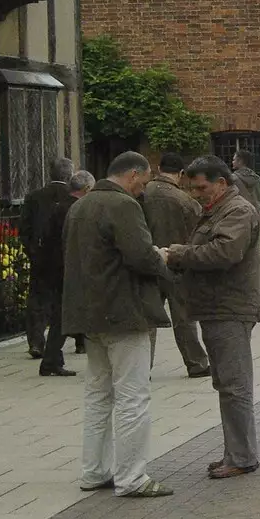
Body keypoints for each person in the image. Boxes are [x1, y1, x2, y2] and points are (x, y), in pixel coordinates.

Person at [62, 153, 174, 498]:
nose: (143, 189)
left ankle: (94, 471)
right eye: (143, 181)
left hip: (89, 313)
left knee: (97, 394)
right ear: (133, 174)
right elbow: (140, 256)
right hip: (123, 312)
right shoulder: (123, 206)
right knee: (132, 396)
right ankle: (132, 477)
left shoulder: (78, 206)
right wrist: (162, 257)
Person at [164, 155, 260, 476]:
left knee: (234, 384)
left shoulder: (238, 210)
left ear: (221, 183)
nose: (196, 193)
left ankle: (242, 457)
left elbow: (224, 252)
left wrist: (179, 254)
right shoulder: (216, 210)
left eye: (202, 187)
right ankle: (234, 452)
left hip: (229, 308)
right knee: (226, 383)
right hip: (215, 306)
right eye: (192, 188)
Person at [142, 153, 211, 379]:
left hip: (149, 262)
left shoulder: (142, 195)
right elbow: (200, 233)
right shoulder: (186, 201)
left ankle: (142, 366)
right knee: (184, 317)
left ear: (158, 168)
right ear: (181, 174)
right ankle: (196, 363)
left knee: (148, 317)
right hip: (178, 264)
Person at [34, 170, 93, 377]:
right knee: (62, 316)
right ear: (86, 189)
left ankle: (54, 359)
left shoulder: (58, 208)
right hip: (66, 269)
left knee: (60, 314)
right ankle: (50, 361)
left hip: (51, 268)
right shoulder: (76, 209)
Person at [20, 157, 74, 362]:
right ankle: (78, 340)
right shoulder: (72, 197)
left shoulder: (34, 196)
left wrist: (32, 251)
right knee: (65, 299)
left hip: (40, 257)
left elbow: (24, 228)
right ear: (69, 175)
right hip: (64, 257)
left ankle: (35, 341)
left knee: (38, 298)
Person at [230, 150, 260, 214]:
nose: (232, 162)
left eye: (234, 160)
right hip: (255, 217)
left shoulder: (232, 179)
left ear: (240, 161)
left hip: (238, 216)